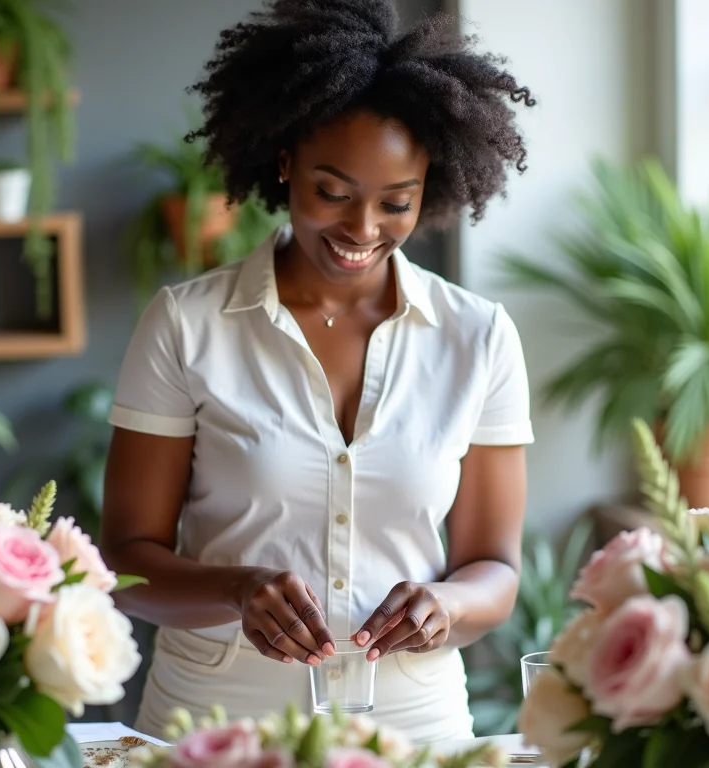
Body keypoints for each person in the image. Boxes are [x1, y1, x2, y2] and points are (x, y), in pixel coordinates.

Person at [101, 0, 536, 744]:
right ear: (284, 162)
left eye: (395, 203)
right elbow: (128, 560)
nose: (362, 230)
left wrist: (447, 605)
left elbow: (493, 567)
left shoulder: (479, 337)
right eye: (332, 192)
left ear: (428, 188)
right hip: (215, 721)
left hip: (413, 728)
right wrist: (236, 590)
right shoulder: (186, 325)